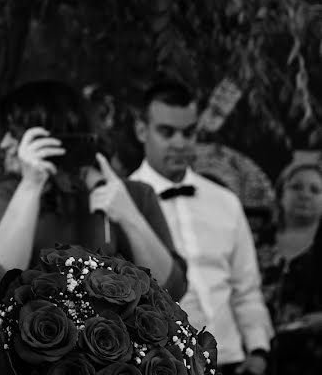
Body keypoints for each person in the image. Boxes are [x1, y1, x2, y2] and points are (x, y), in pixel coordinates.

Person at [0, 80, 187, 301]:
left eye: (13, 132)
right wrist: (31, 184)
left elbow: (172, 290)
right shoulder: (13, 192)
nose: (4, 144)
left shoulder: (135, 195)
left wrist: (129, 216)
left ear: (50, 136)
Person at [130, 79, 273, 375]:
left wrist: (258, 351)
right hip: (162, 365)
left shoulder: (225, 202)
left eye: (189, 132)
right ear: (142, 130)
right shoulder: (125, 204)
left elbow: (246, 288)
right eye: (167, 132)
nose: (180, 143)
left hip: (234, 361)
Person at [255, 155, 322, 375]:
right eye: (296, 187)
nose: (304, 194)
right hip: (256, 356)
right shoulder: (256, 241)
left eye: (315, 190)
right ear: (281, 194)